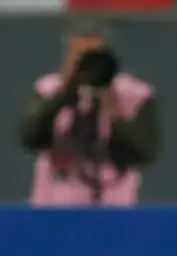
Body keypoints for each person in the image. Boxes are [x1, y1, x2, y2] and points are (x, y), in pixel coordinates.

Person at [19, 17, 159, 206]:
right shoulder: (47, 90)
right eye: (80, 57)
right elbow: (29, 138)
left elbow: (144, 151)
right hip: (54, 206)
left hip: (116, 207)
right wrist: (63, 96)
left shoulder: (134, 95)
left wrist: (112, 108)